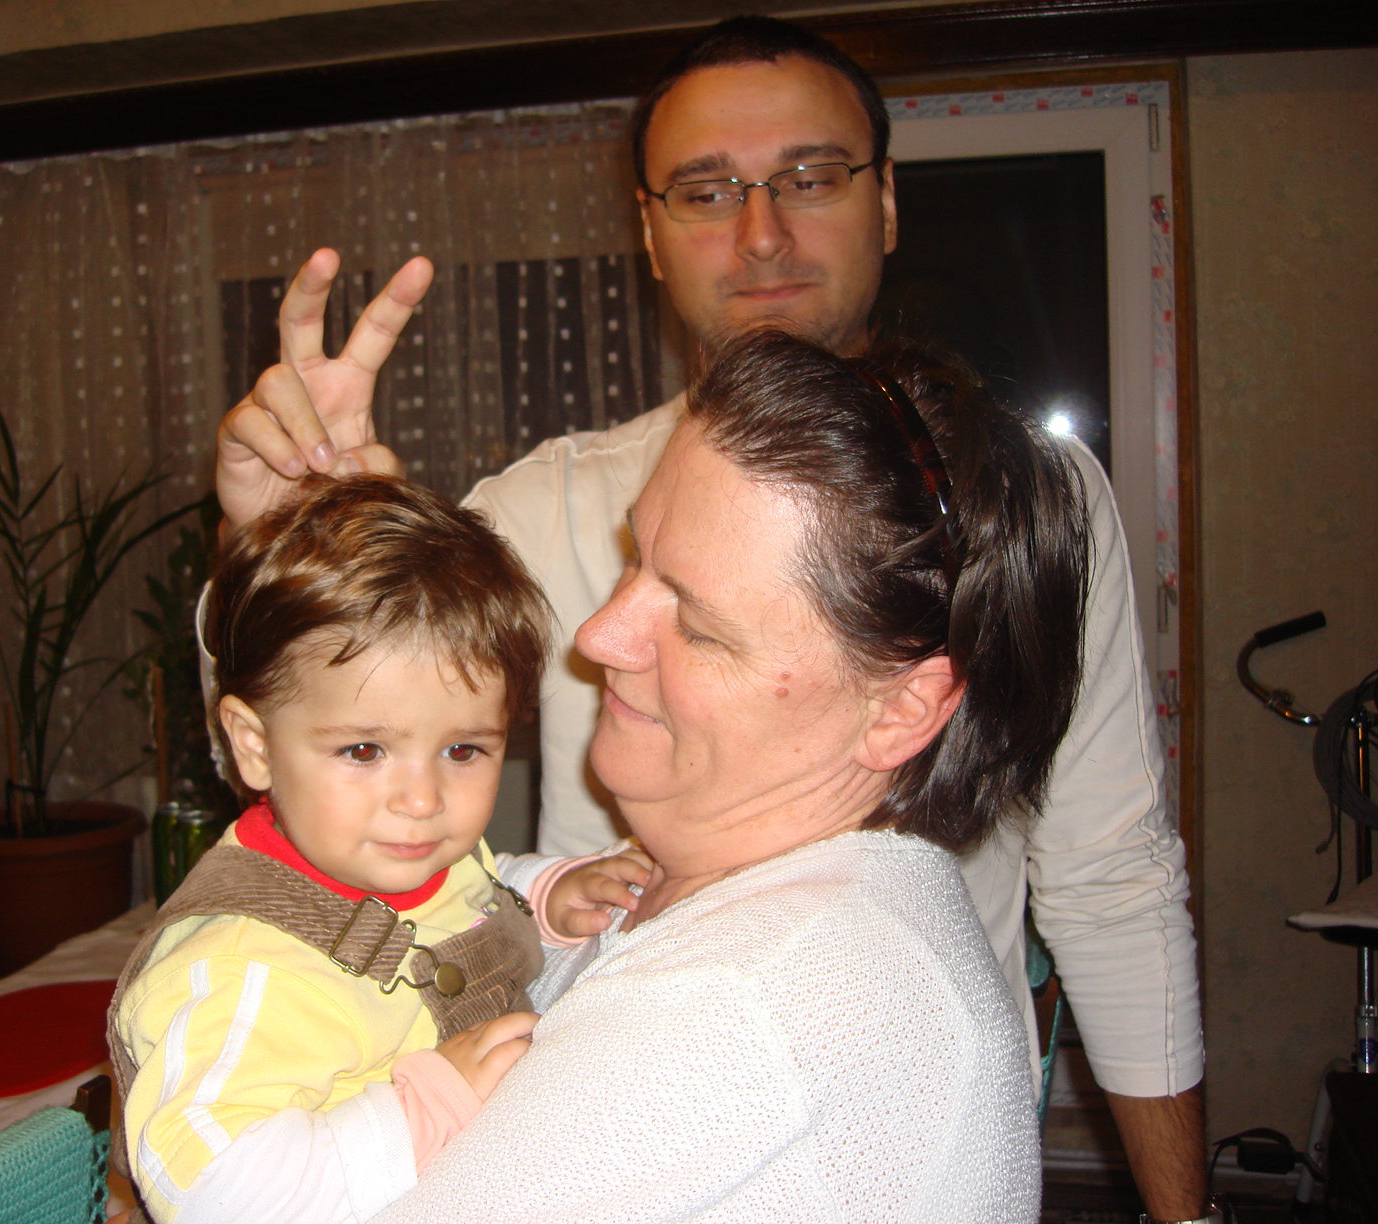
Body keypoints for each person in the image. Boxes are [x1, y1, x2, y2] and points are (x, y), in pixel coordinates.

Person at [213, 17, 1210, 1220]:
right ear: (648, 230)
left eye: (810, 176)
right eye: (706, 190)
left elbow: (1112, 877)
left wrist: (1186, 1214)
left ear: (886, 201)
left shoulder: (1026, 510)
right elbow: (317, 734)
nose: (762, 232)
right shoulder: (548, 501)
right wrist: (290, 536)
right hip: (575, 1097)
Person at [379, 331, 1088, 1221]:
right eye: (637, 557)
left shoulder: (749, 998)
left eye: (700, 627)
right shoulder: (716, 901)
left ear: (901, 709)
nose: (599, 636)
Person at [108, 475, 651, 1224]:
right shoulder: (243, 973)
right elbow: (210, 1195)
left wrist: (546, 894)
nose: (422, 800)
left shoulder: (403, 850)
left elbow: (466, 889)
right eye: (364, 750)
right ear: (255, 746)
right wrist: (423, 1109)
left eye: (463, 749)